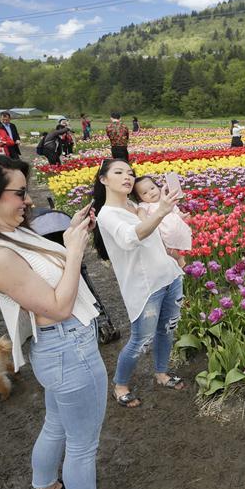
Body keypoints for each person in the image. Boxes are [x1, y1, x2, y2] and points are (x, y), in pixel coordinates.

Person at [0, 153, 145, 489]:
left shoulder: (5, 233)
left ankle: (46, 488)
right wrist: (75, 250)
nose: (29, 200)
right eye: (19, 193)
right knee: (83, 441)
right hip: (69, 348)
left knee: (55, 424)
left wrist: (69, 237)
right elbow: (59, 305)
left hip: (57, 348)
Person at [92, 159, 186, 409]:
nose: (127, 177)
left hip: (170, 276)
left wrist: (174, 250)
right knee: (141, 340)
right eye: (119, 172)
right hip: (145, 287)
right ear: (103, 180)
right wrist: (161, 211)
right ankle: (120, 385)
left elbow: (154, 237)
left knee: (167, 329)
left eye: (130, 173)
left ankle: (162, 373)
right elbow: (130, 238)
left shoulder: (135, 205)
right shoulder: (107, 214)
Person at [132, 176, 192, 267]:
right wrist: (144, 221)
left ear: (158, 187)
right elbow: (141, 214)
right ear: (139, 198)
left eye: (152, 188)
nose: (150, 193)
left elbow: (176, 212)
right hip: (165, 238)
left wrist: (183, 216)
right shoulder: (145, 205)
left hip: (179, 230)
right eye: (145, 193)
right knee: (176, 256)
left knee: (188, 248)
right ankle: (183, 269)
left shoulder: (165, 200)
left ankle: (190, 265)